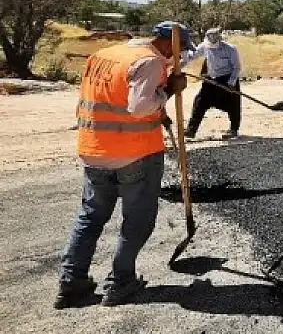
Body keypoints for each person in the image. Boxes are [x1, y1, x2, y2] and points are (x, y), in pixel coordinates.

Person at [55, 21, 192, 309]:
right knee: (137, 221)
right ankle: (120, 283)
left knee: (90, 217)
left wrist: (160, 113)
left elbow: (110, 99)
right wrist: (169, 90)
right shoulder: (150, 61)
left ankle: (71, 283)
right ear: (169, 45)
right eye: (175, 54)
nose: (172, 61)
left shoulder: (104, 55)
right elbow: (139, 106)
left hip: (94, 149)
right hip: (135, 153)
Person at [181, 28, 242, 140]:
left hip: (227, 80)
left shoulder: (230, 49)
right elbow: (191, 56)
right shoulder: (204, 46)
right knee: (199, 102)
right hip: (211, 80)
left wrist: (231, 83)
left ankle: (233, 129)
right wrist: (181, 59)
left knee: (233, 105)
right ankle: (191, 130)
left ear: (220, 40)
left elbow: (236, 67)